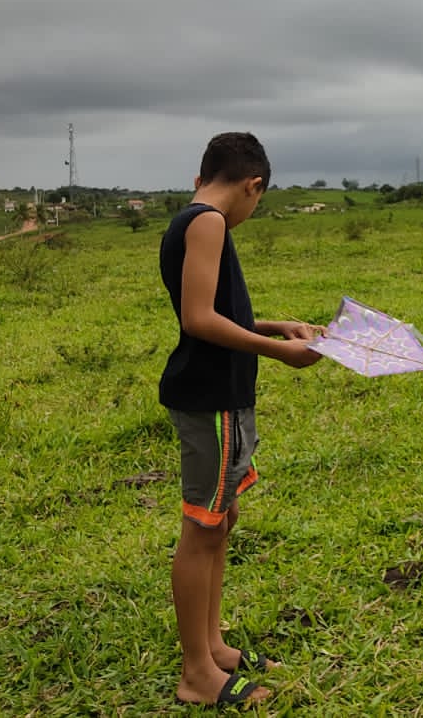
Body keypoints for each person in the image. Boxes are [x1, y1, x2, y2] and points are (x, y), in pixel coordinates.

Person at [157, 131, 323, 707]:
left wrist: (274, 327)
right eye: (260, 199)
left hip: (219, 394)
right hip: (210, 398)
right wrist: (280, 353)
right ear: (253, 185)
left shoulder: (194, 217)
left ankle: (213, 644)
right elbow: (199, 319)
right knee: (202, 528)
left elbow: (214, 310)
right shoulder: (208, 223)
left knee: (220, 521)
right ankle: (197, 673)